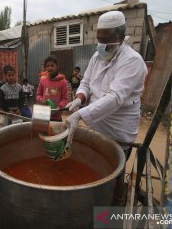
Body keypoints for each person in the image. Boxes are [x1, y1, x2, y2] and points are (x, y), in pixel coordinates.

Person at [65, 11, 148, 204]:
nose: (101, 45)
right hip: (97, 124)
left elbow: (116, 98)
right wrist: (79, 98)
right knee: (93, 169)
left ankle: (111, 205)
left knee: (111, 174)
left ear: (120, 37)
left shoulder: (132, 61)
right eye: (99, 39)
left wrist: (80, 115)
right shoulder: (97, 55)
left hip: (118, 129)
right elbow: (86, 82)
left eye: (106, 40)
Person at [36, 55, 68, 122]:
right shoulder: (43, 81)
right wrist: (42, 100)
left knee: (55, 131)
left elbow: (64, 98)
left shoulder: (63, 81)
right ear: (45, 68)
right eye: (47, 66)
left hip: (56, 116)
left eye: (52, 65)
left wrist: (59, 107)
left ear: (57, 66)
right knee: (43, 131)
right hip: (44, 114)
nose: (50, 68)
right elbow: (38, 95)